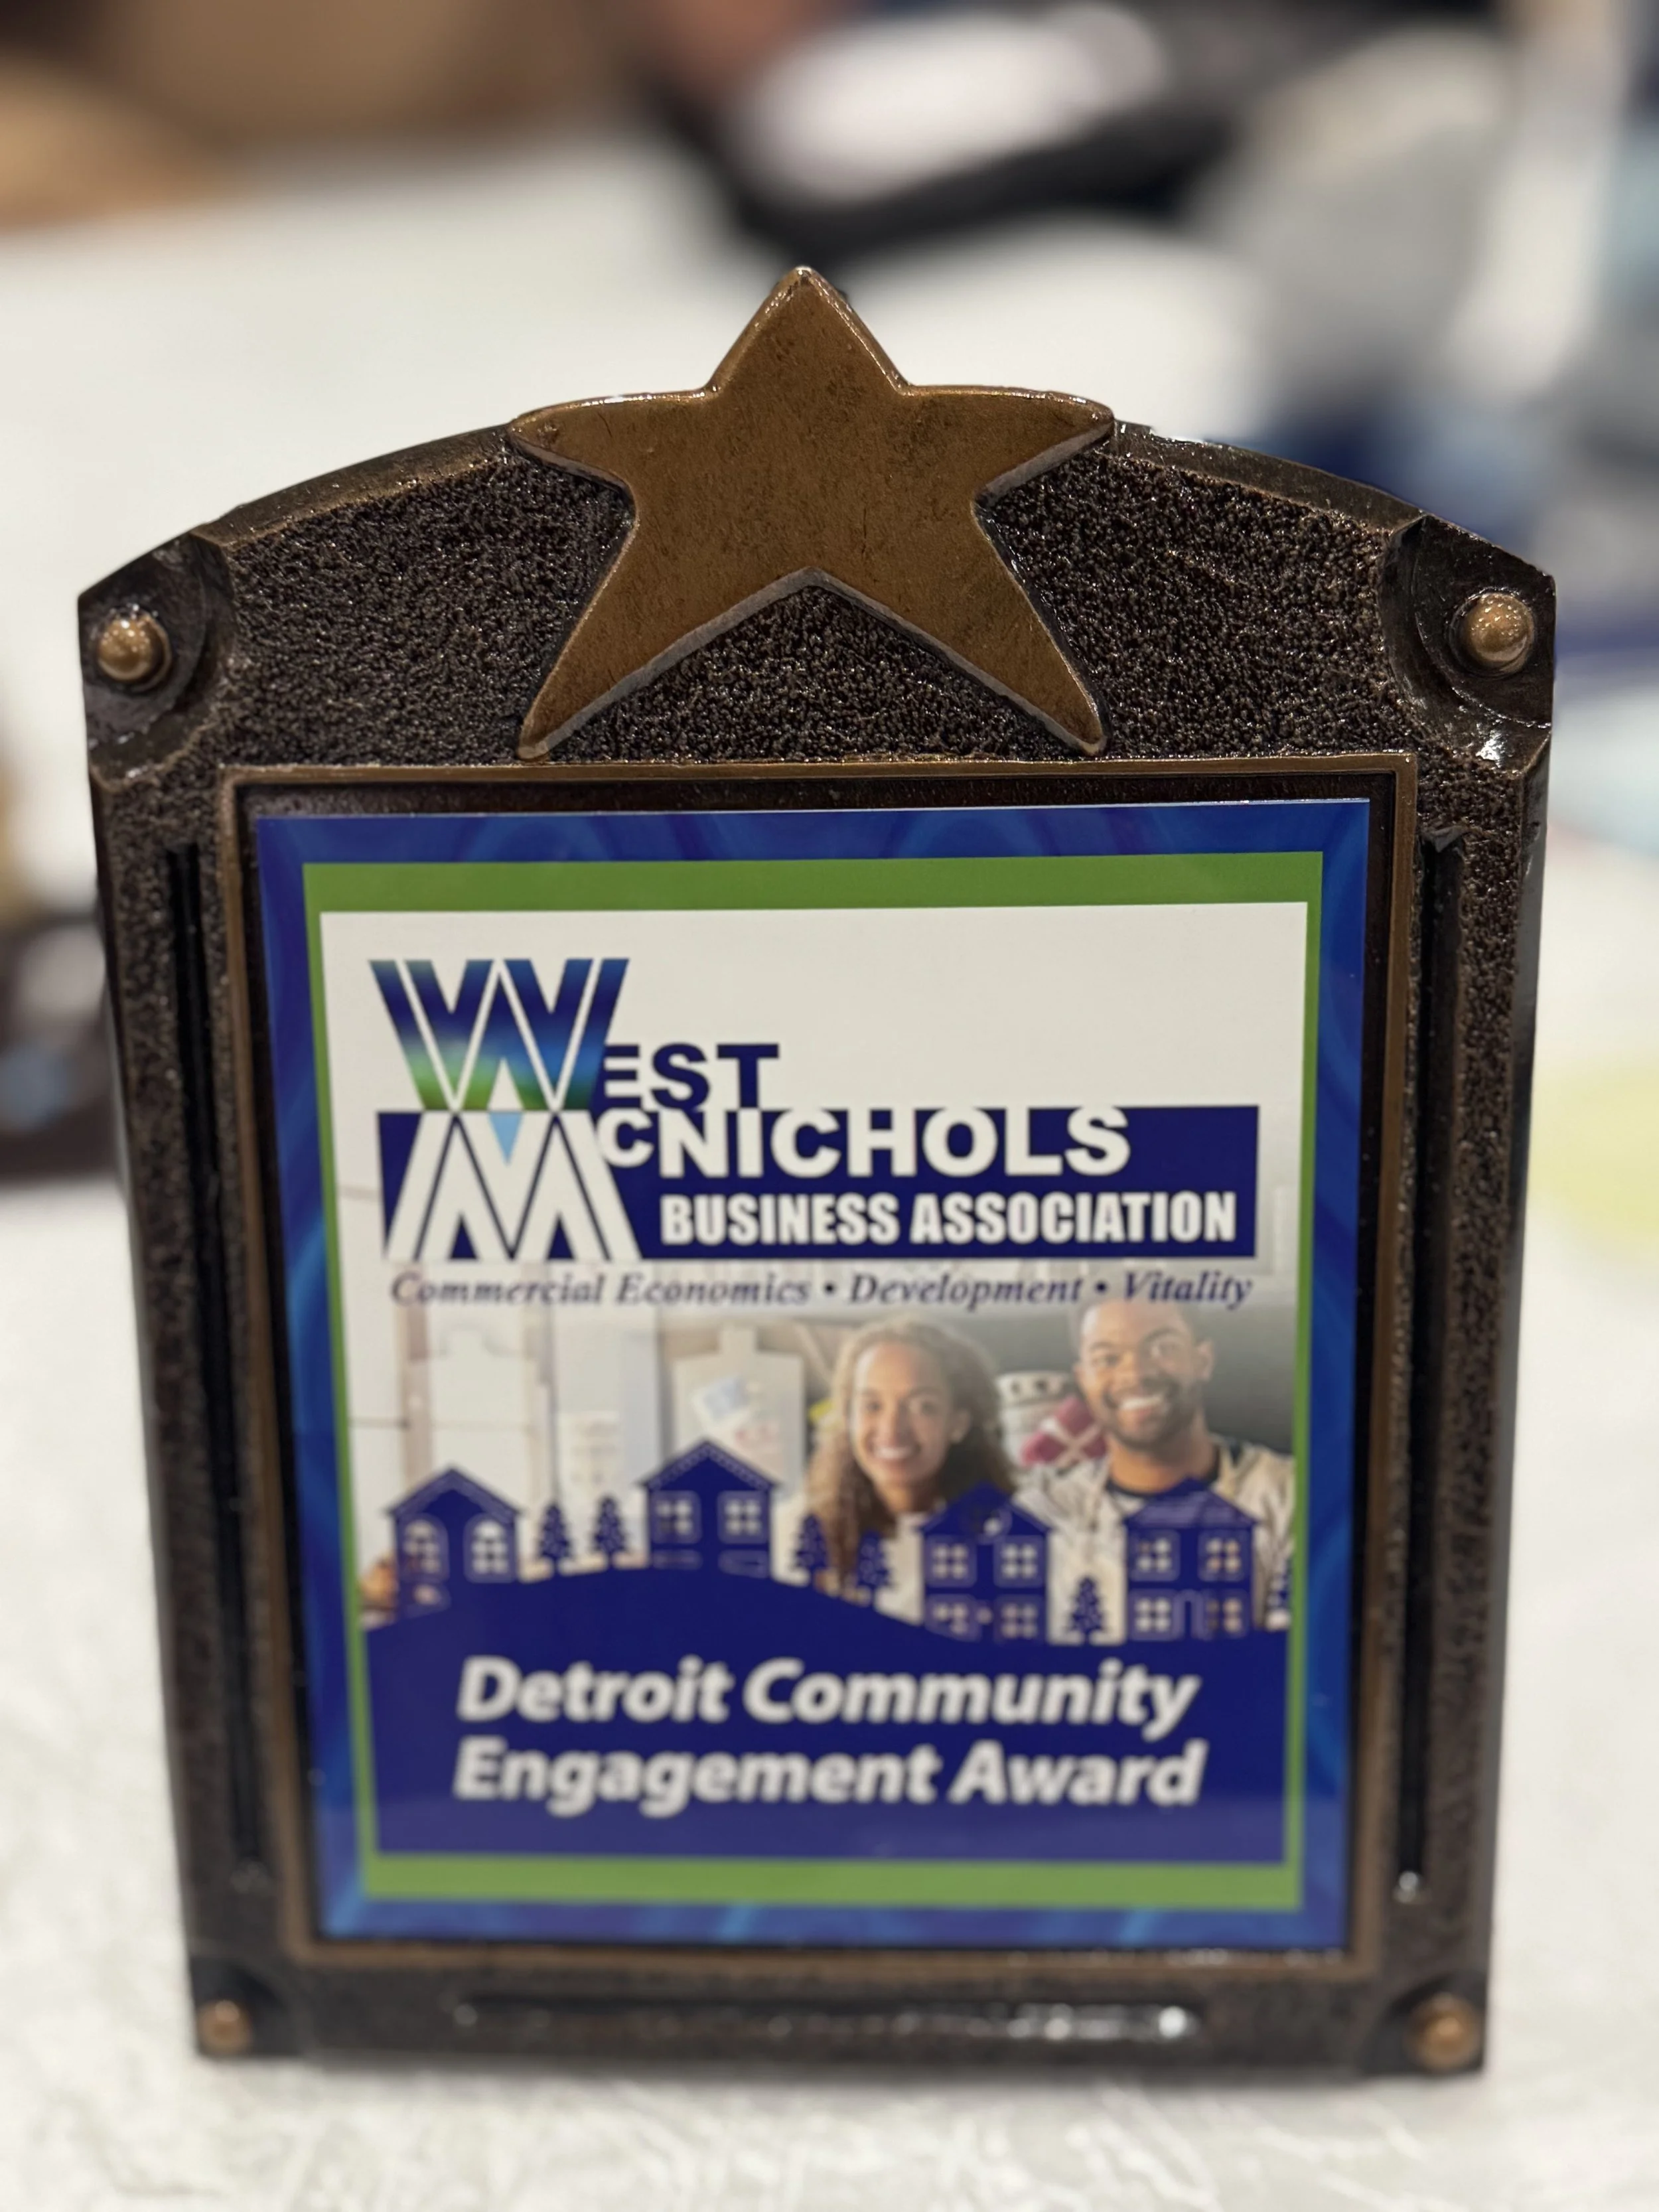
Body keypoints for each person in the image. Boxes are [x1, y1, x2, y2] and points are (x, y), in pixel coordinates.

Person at [1019, 1297, 1293, 1639]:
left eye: (1163, 1348)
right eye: (1107, 1359)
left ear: (1203, 1360)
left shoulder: (1291, 1493)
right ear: (1084, 1379)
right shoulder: (1044, 1513)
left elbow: (1299, 1661)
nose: (1136, 1374)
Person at [778, 1317, 1012, 1623]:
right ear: (848, 1418)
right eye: (872, 1406)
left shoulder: (1007, 1536)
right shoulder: (789, 1534)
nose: (892, 1430)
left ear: (958, 1423)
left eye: (922, 1407)